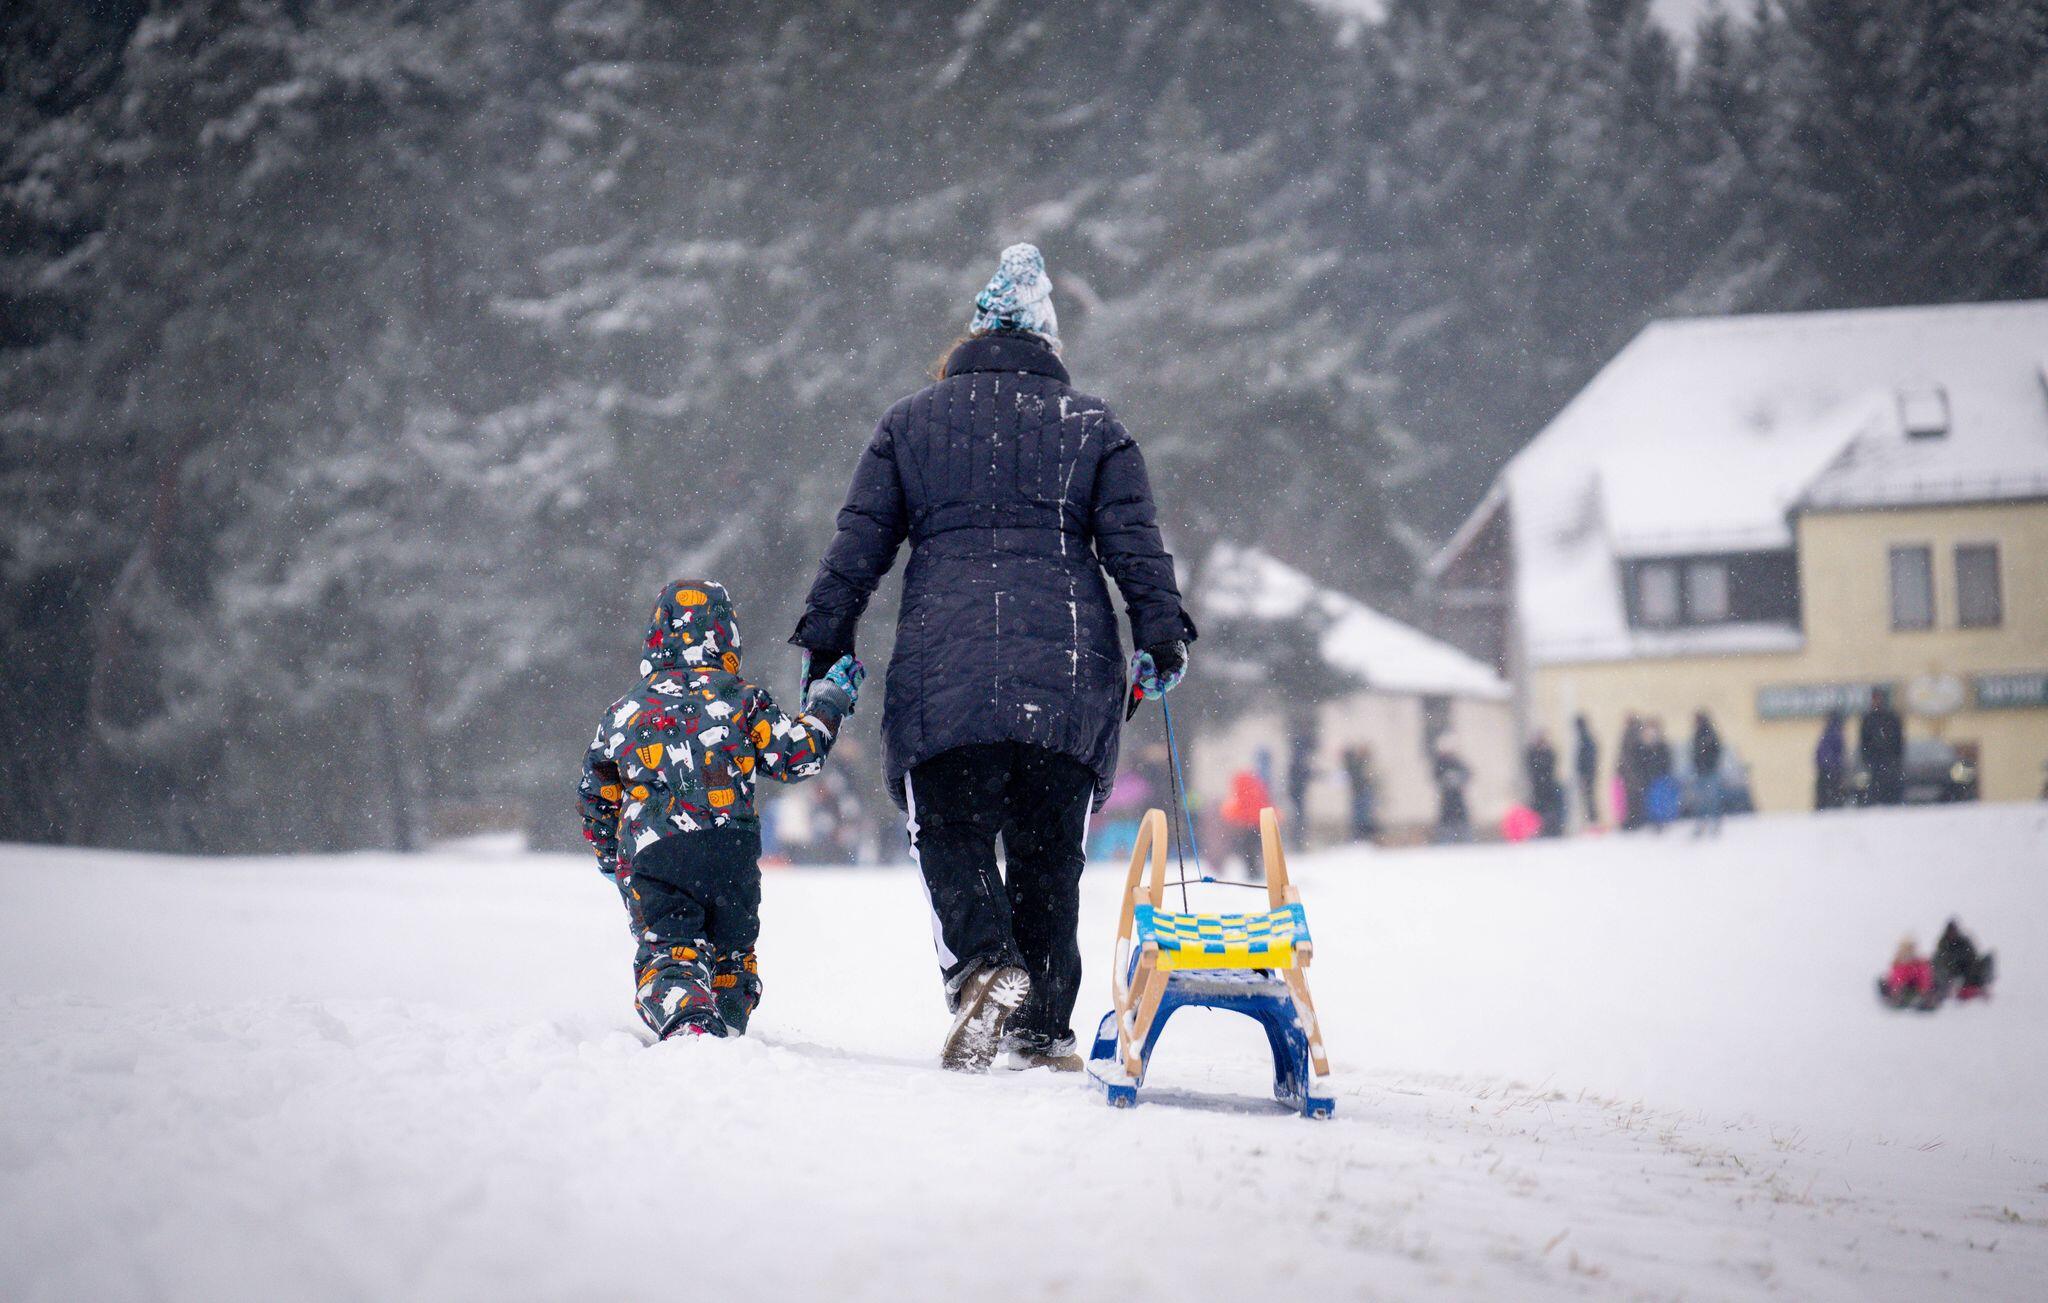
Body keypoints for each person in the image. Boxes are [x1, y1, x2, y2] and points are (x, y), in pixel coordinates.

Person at [791, 244, 1196, 1073]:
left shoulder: (910, 424)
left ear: (972, 338)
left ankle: (984, 964)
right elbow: (1136, 547)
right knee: (1049, 853)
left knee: (951, 829)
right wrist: (1161, 635)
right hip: (1069, 672)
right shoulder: (1093, 426)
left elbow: (857, 545)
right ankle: (1040, 1026)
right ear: (1049, 343)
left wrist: (828, 638)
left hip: (948, 667)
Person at [577, 580, 862, 1040]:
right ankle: (728, 1022)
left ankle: (689, 1019)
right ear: (727, 635)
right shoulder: (743, 699)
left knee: (671, 949)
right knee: (732, 950)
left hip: (657, 856)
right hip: (730, 852)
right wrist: (827, 704)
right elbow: (796, 757)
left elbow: (596, 795)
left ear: (656, 638)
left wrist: (612, 859)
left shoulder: (624, 713)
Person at [1220, 766, 1275, 880]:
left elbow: (1235, 809)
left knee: (1247, 850)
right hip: (1258, 824)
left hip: (1245, 826)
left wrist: (1230, 817)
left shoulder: (1241, 791)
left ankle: (1252, 871)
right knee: (1257, 849)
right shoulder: (1257, 789)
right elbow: (1265, 804)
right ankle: (1257, 870)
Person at [1858, 687, 1906, 806]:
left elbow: (1898, 740)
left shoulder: (1891, 718)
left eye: (1878, 698)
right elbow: (1864, 741)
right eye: (1874, 699)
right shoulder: (1868, 719)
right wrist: (1867, 758)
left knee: (1891, 790)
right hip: (1875, 761)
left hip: (1889, 761)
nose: (1876, 701)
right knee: (1876, 790)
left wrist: (1896, 757)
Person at [1932, 918, 1997, 999]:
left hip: (1968, 971)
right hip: (1951, 973)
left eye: (1953, 931)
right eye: (1950, 931)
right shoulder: (1943, 944)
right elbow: (1940, 961)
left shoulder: (1965, 942)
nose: (1952, 934)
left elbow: (1973, 957)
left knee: (1988, 958)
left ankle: (1981, 986)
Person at [1524, 729, 1567, 837]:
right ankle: (1541, 830)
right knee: (1540, 810)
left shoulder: (1548, 753)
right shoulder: (1533, 753)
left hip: (1548, 787)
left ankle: (1552, 829)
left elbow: (1550, 766)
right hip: (1538, 788)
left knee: (1551, 809)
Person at [1690, 710, 1725, 837]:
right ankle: (1705, 823)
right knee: (1704, 799)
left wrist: (1708, 763)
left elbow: (1714, 751)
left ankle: (1711, 823)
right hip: (1703, 771)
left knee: (1709, 799)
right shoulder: (1702, 734)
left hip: (1708, 771)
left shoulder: (1708, 734)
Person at [1432, 741, 1472, 844]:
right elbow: (1437, 777)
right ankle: (1446, 842)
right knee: (1447, 826)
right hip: (1447, 801)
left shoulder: (1457, 763)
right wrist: (1446, 780)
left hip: (1457, 800)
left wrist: (1458, 779)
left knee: (1461, 824)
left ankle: (1464, 842)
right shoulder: (1440, 764)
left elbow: (1468, 774)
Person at [1340, 745, 1378, 843]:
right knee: (1361, 815)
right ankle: (1362, 835)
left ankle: (1362, 835)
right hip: (1360, 792)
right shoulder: (1358, 764)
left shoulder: (1358, 764)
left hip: (1360, 792)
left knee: (1361, 815)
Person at [1616, 714, 1648, 831]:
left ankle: (1633, 821)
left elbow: (1629, 756)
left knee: (1632, 798)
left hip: (1631, 773)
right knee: (1633, 797)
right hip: (1633, 773)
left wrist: (1624, 770)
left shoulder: (1631, 735)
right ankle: (1634, 820)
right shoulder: (1636, 734)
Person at [1814, 710, 1847, 811]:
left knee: (1823, 801)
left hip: (1825, 771)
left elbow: (1820, 753)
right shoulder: (1836, 734)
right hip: (1832, 772)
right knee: (1835, 801)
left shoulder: (1827, 733)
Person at [1573, 714, 1600, 829]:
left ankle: (1593, 822)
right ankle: (1592, 821)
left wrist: (1585, 773)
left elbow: (1587, 758)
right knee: (1589, 798)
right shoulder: (1586, 737)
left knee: (1589, 799)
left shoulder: (1584, 738)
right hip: (1589, 773)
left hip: (1587, 774)